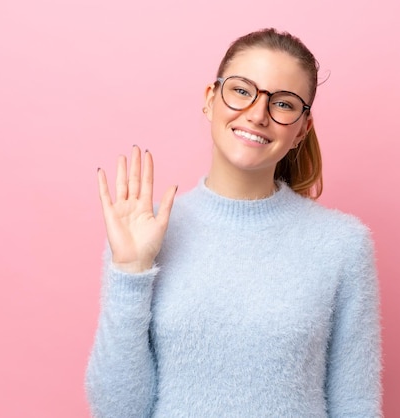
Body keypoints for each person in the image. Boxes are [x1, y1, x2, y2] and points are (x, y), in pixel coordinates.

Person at [85, 28, 382, 417]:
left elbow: (356, 405)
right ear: (210, 100)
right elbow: (117, 410)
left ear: (301, 130)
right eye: (242, 90)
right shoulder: (146, 232)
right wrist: (130, 272)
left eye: (284, 103)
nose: (258, 115)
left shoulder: (343, 244)